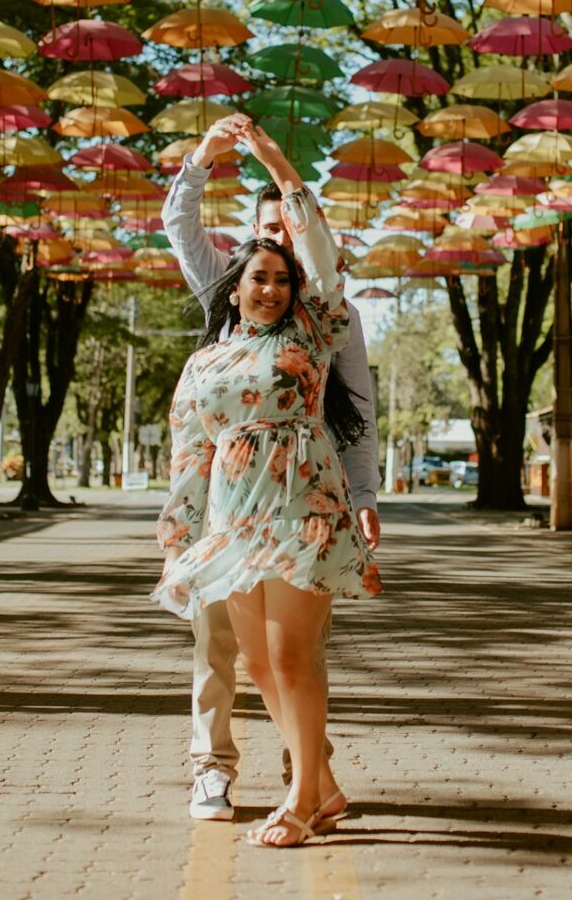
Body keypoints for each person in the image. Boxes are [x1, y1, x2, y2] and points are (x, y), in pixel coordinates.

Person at [154, 117, 382, 848]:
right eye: (262, 267)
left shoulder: (316, 321)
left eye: (285, 270)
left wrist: (278, 163)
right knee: (244, 658)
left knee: (291, 654)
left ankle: (302, 788)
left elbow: (362, 412)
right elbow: (188, 455)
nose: (275, 278)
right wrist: (178, 542)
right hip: (231, 519)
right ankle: (282, 776)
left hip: (303, 508)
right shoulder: (206, 358)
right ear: (235, 278)